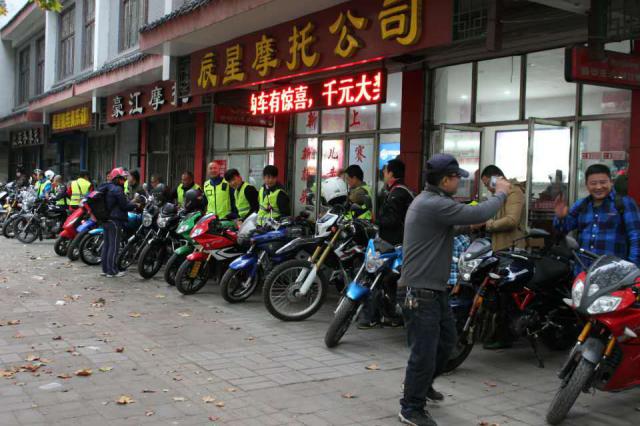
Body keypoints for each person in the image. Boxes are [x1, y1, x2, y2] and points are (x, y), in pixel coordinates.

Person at [399, 153, 510, 426]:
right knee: (424, 353)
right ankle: (411, 407)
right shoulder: (434, 203)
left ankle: (421, 386)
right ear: (444, 180)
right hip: (420, 292)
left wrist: (470, 225)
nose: (459, 182)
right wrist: (501, 193)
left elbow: (454, 226)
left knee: (447, 342)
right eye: (456, 178)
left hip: (433, 290)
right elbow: (478, 212)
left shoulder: (431, 202)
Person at [358, 159, 413, 329]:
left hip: (395, 245)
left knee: (379, 277)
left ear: (391, 173)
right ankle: (384, 314)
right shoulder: (396, 191)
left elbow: (393, 220)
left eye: (385, 171)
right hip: (393, 243)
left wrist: (375, 220)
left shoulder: (398, 193)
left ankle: (375, 315)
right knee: (382, 278)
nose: (383, 173)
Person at [554, 163, 640, 268]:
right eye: (593, 183)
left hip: (613, 271)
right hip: (584, 269)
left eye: (603, 182)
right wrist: (560, 217)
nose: (598, 187)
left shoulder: (625, 203)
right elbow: (562, 230)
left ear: (611, 182)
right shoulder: (581, 205)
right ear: (587, 185)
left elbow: (636, 237)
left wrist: (632, 266)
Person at [98, 168, 138, 278]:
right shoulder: (117, 190)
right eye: (122, 178)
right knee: (114, 246)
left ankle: (105, 269)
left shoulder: (106, 187)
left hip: (105, 219)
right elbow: (124, 206)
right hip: (115, 220)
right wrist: (136, 205)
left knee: (107, 245)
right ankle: (112, 271)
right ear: (117, 178)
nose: (124, 180)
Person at [480, 165, 527, 251]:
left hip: (511, 247)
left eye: (488, 184)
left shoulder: (514, 192)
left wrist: (488, 224)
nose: (488, 189)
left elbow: (511, 220)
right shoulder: (500, 194)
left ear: (496, 178)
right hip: (502, 247)